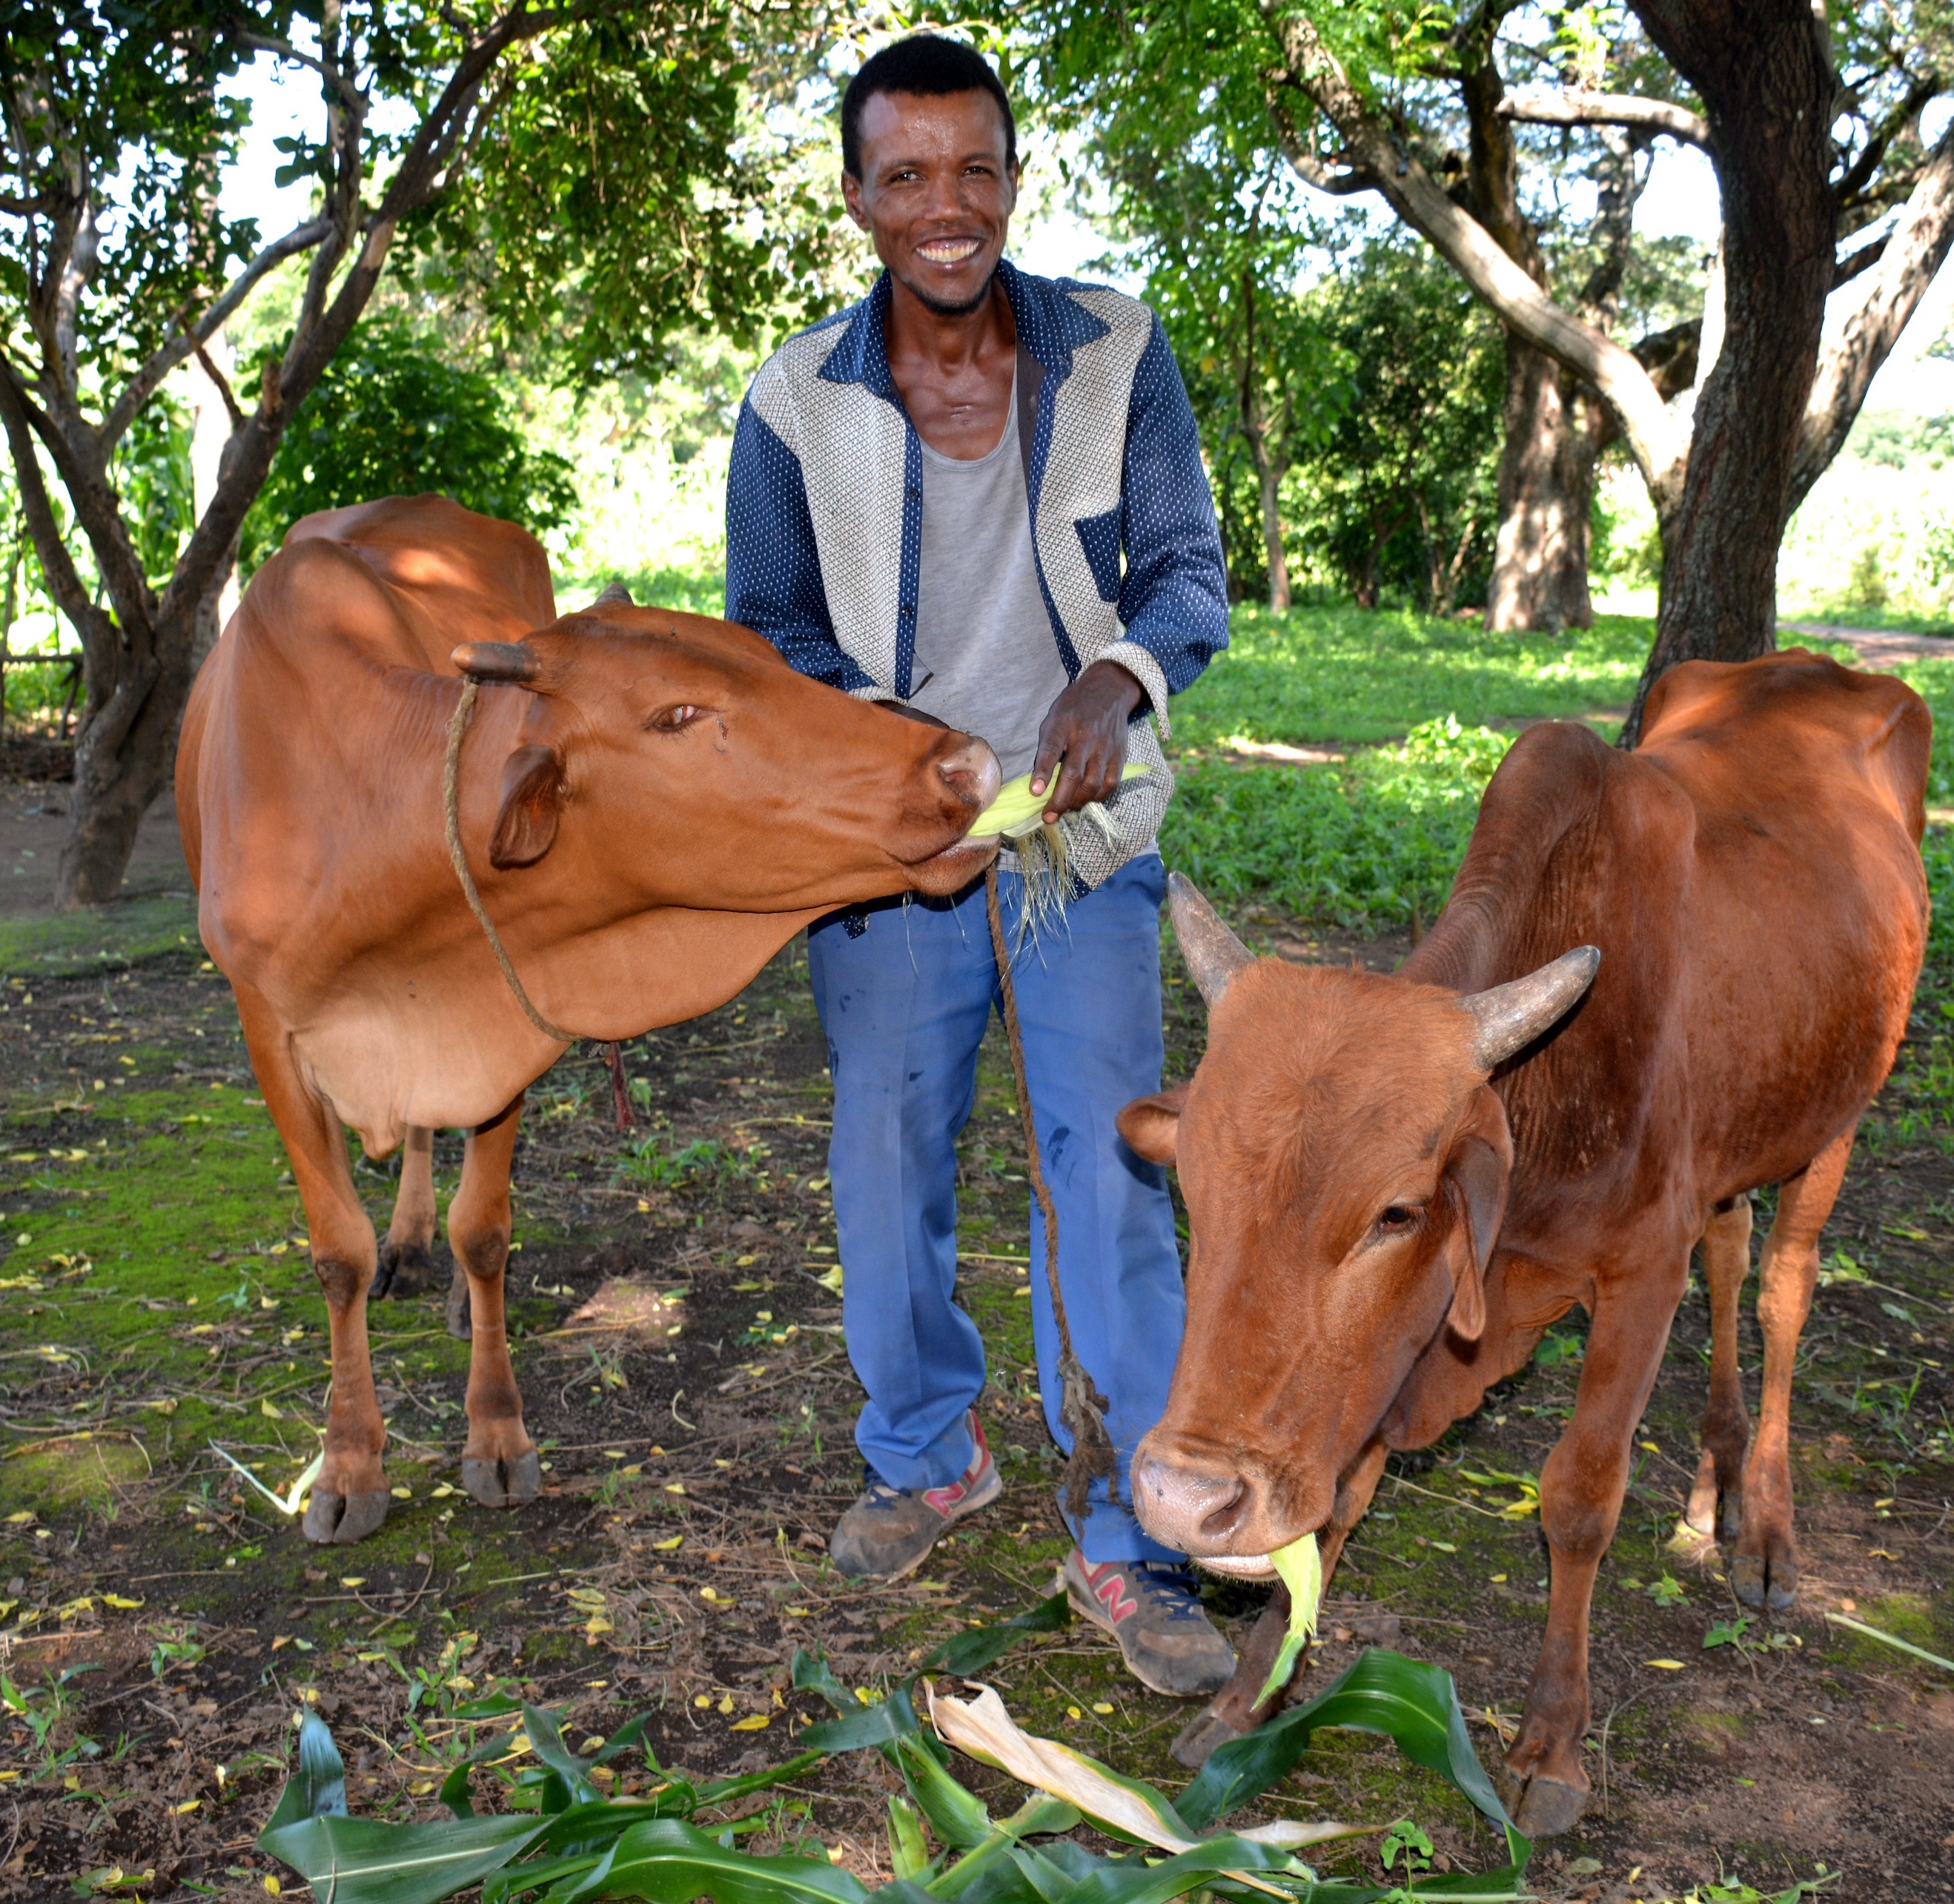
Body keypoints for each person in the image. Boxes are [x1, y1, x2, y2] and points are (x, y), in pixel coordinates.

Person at [724, 33, 1234, 1696]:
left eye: (977, 171)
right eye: (908, 176)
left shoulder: (1113, 348)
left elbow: (1187, 575)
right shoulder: (797, 403)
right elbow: (771, 636)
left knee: (1105, 1167)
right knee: (886, 1156)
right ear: (859, 195)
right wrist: (909, 776)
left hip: (1081, 836)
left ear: (1014, 180)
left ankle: (1131, 1533)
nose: (948, 209)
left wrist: (1118, 677)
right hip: (896, 848)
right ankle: (929, 1448)